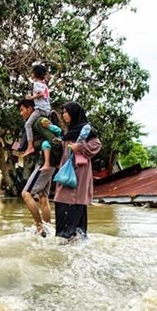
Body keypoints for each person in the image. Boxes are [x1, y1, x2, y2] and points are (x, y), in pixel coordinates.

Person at [53, 101, 102, 240]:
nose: (63, 115)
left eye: (66, 112)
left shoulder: (86, 130)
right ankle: (69, 237)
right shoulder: (70, 132)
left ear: (74, 113)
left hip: (79, 171)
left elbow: (97, 145)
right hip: (67, 170)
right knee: (62, 199)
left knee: (72, 199)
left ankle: (69, 237)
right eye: (62, 112)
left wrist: (79, 147)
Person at [18, 99, 62, 237]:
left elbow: (55, 141)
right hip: (49, 162)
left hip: (46, 163)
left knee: (26, 194)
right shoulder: (38, 123)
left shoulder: (38, 121)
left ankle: (40, 227)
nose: (21, 113)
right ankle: (48, 230)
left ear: (30, 109)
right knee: (43, 197)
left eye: (22, 110)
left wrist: (50, 161)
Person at [22, 64, 51, 157]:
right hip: (46, 109)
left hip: (40, 110)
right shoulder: (43, 84)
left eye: (32, 72)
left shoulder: (36, 84)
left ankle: (30, 146)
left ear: (34, 74)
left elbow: (41, 94)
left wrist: (31, 97)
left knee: (27, 124)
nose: (31, 74)